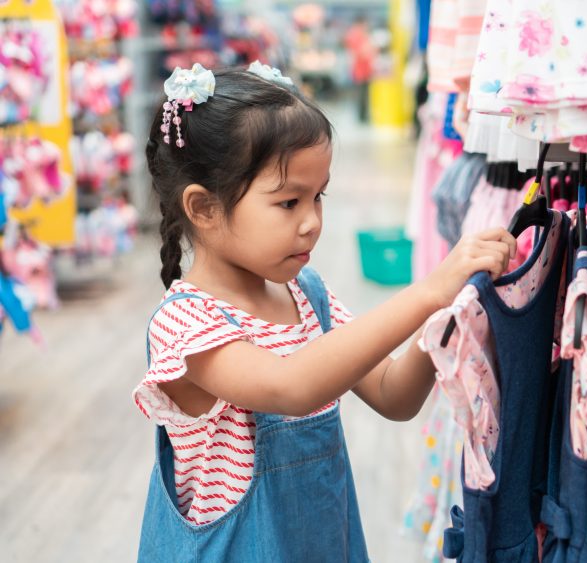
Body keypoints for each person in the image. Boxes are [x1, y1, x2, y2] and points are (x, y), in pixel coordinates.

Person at [133, 62, 516, 561]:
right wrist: (428, 292)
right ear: (204, 208)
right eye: (289, 202)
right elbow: (291, 387)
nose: (312, 222)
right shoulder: (184, 325)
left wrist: (444, 314)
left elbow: (394, 395)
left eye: (319, 197)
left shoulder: (306, 296)